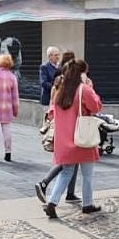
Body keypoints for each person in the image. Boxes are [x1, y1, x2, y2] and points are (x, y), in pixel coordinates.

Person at [43, 59, 103, 218]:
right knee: (88, 174)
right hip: (82, 138)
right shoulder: (84, 89)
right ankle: (87, 204)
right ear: (81, 73)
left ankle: (52, 202)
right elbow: (96, 106)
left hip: (64, 140)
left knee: (65, 173)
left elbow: (52, 112)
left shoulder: (60, 90)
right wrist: (90, 87)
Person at [37, 50, 79, 204]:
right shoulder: (65, 85)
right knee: (67, 160)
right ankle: (45, 185)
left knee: (72, 160)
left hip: (62, 124)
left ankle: (70, 193)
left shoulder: (62, 83)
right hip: (67, 126)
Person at [39, 46, 62, 116]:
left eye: (58, 54)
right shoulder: (44, 67)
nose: (58, 57)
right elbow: (43, 83)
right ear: (50, 56)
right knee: (47, 121)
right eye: (56, 55)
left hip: (58, 99)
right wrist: (56, 87)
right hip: (48, 99)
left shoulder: (61, 67)